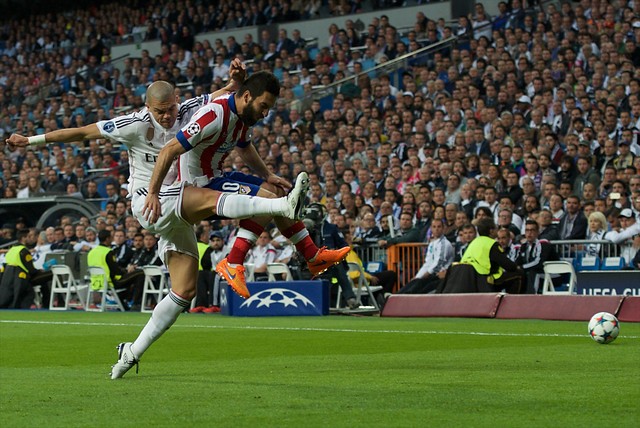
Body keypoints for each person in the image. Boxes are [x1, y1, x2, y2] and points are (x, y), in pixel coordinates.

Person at [7, 71, 307, 379]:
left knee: (184, 291)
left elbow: (222, 95)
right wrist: (30, 141)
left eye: (170, 109)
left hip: (175, 207)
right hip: (149, 201)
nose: (166, 116)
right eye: (158, 111)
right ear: (147, 107)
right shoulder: (133, 124)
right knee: (206, 194)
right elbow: (82, 133)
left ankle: (131, 352)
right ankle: (280, 206)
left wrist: (235, 83)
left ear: (178, 101)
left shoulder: (190, 109)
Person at [146, 70, 350, 298]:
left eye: (269, 108)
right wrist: (153, 192)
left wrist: (268, 174)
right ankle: (233, 262)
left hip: (216, 177)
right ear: (246, 97)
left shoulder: (243, 117)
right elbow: (170, 149)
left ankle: (311, 255)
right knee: (269, 201)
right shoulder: (214, 115)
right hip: (198, 189)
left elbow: (244, 147)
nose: (265, 113)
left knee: (276, 191)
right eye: (263, 105)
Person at [440, 218, 524, 293]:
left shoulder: (474, 242)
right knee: (519, 275)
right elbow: (507, 265)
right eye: (495, 228)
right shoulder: (491, 244)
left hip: (465, 277)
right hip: (482, 279)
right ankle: (511, 305)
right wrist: (516, 267)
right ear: (491, 231)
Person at [302, 203, 358, 309]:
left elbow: (344, 246)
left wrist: (336, 252)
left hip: (331, 263)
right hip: (313, 262)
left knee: (338, 266)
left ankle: (350, 299)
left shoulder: (331, 228)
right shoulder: (306, 229)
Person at [87, 230, 146, 310]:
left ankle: (123, 302)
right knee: (140, 273)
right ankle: (136, 303)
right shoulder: (108, 252)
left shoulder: (91, 252)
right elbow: (115, 270)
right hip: (110, 282)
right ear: (107, 239)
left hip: (96, 282)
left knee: (131, 277)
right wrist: (126, 271)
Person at [397, 219, 454, 294]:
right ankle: (395, 296)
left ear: (443, 228)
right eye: (434, 227)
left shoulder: (444, 244)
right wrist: (418, 276)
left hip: (440, 276)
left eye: (439, 227)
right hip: (432, 275)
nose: (436, 229)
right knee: (414, 282)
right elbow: (428, 263)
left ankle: (401, 297)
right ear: (431, 228)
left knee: (418, 285)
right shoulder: (432, 243)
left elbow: (438, 264)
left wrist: (423, 276)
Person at [0, 229, 53, 309]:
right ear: (23, 238)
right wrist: (39, 271)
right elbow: (31, 270)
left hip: (10, 281)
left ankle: (46, 303)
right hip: (22, 281)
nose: (31, 239)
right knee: (51, 275)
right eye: (29, 237)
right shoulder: (24, 251)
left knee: (43, 280)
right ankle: (50, 303)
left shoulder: (12, 250)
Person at [517, 220, 559, 294]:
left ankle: (532, 298)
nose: (529, 233)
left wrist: (522, 267)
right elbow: (518, 261)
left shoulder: (543, 244)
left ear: (537, 232)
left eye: (532, 230)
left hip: (552, 274)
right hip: (534, 273)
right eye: (527, 230)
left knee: (533, 273)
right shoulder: (523, 246)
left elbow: (539, 263)